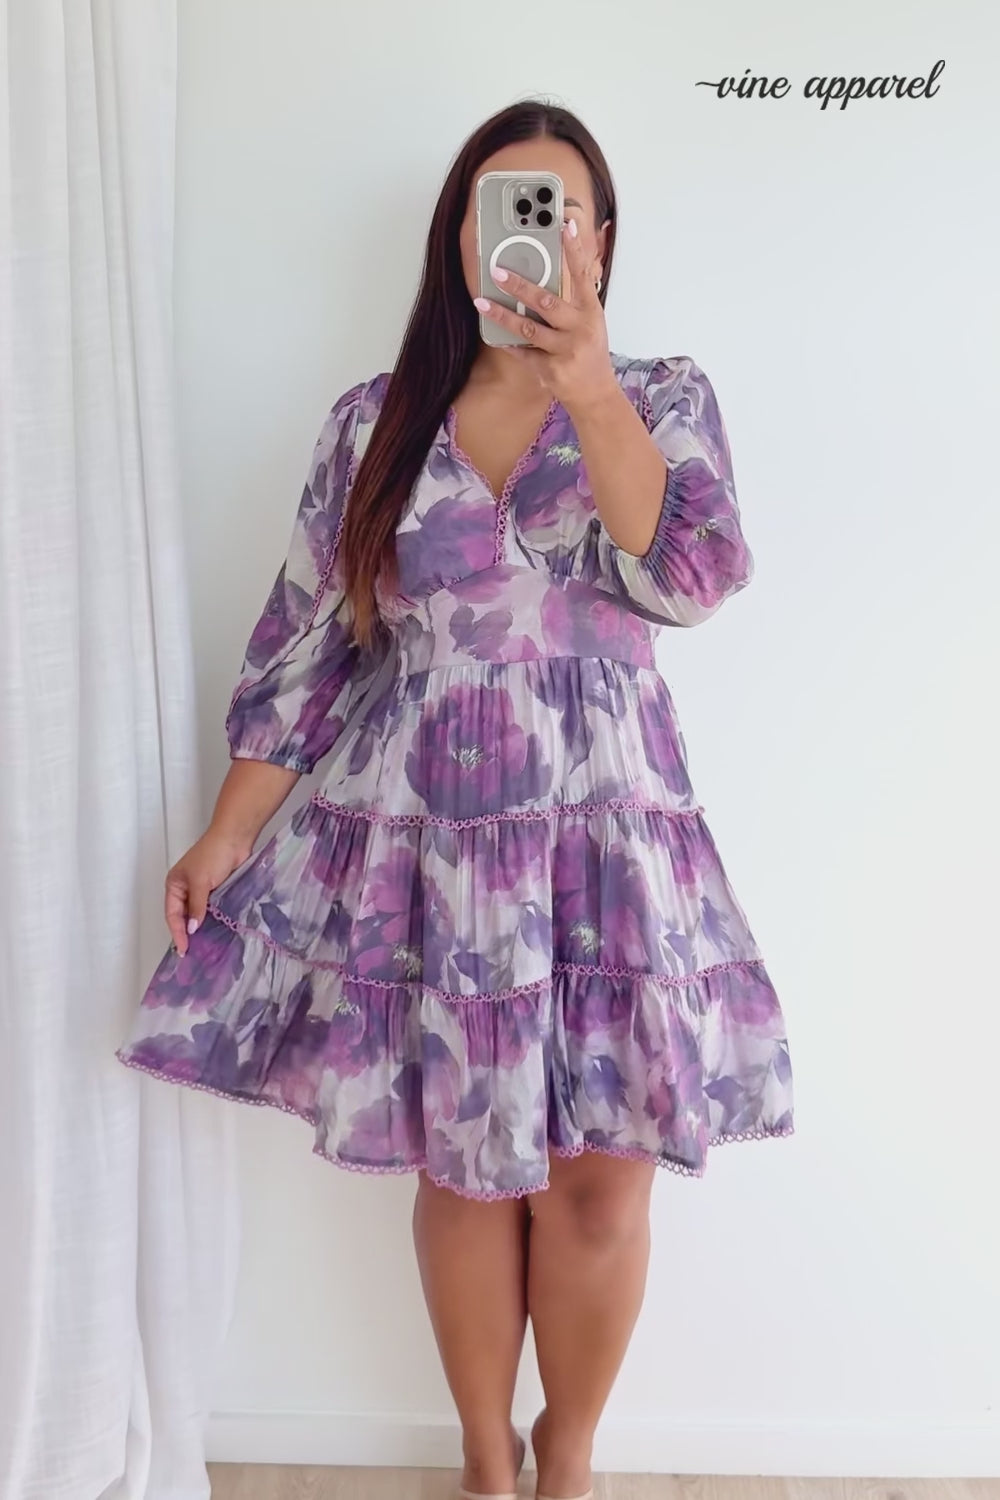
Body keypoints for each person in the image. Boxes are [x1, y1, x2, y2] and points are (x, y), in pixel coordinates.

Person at [117, 100, 794, 1500]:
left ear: (600, 240)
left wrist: (588, 388)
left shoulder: (662, 398)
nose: (531, 236)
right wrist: (228, 832)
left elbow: (692, 580)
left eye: (561, 208)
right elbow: (310, 644)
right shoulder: (374, 422)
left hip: (606, 836)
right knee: (468, 1165)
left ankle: (569, 1456)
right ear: (463, 240)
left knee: (600, 1177)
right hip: (430, 840)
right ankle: (486, 1459)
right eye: (502, 210)